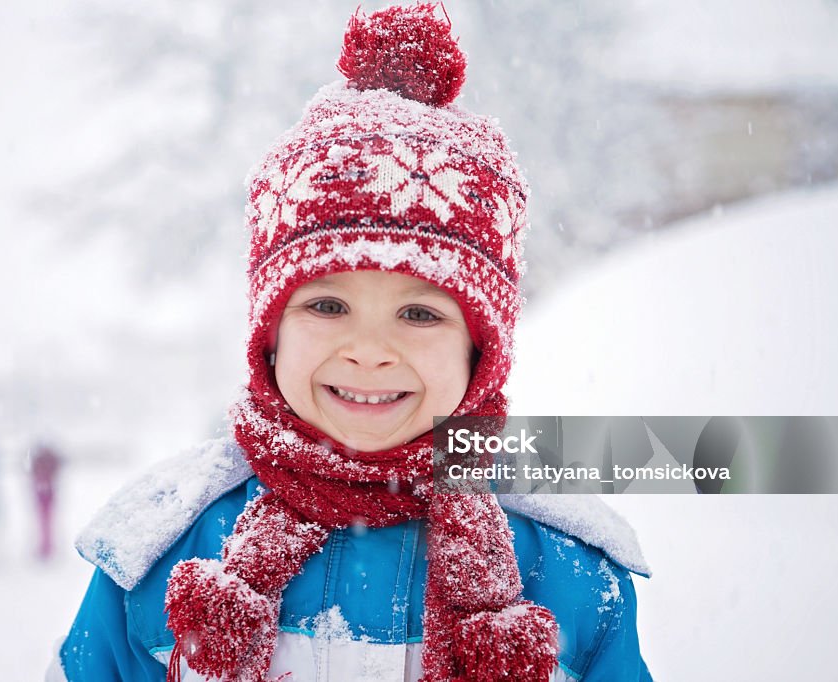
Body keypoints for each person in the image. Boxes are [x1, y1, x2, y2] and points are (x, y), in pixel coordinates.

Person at [50, 5, 652, 680]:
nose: (369, 350)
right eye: (328, 305)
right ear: (269, 337)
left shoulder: (562, 571)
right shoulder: (165, 554)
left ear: (480, 354)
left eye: (420, 314)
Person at [31, 443, 62, 560]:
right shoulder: (45, 461)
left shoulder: (42, 461)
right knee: (44, 522)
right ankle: (46, 546)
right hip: (44, 493)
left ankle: (47, 546)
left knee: (46, 522)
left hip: (46, 493)